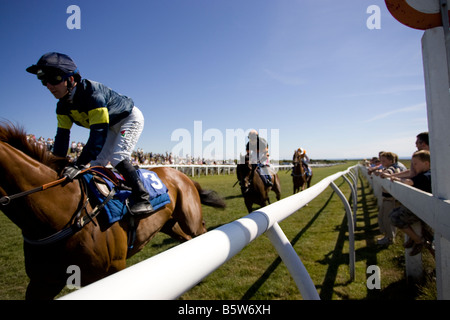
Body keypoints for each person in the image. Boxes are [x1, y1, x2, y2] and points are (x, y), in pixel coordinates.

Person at [26, 52, 154, 216]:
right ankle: (108, 196)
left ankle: (143, 198)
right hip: (110, 126)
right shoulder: (62, 107)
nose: (49, 86)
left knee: (118, 157)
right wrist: (55, 165)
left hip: (128, 118)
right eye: (44, 81)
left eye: (54, 79)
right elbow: (62, 140)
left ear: (71, 79)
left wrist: (78, 164)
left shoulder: (93, 95)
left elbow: (97, 136)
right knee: (96, 164)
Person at [389, 150, 432, 256]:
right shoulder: (425, 174)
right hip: (422, 207)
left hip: (425, 210)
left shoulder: (426, 175)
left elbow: (409, 182)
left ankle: (418, 240)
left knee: (395, 217)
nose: (413, 166)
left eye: (415, 164)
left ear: (426, 163)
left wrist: (397, 179)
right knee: (394, 214)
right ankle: (416, 239)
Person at [375, 152, 405, 245]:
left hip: (390, 200)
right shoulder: (389, 167)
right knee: (382, 218)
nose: (382, 162)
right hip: (387, 198)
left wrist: (382, 173)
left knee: (387, 220)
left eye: (384, 160)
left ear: (391, 161)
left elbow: (387, 173)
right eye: (381, 160)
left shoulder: (392, 168)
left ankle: (389, 239)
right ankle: (387, 236)